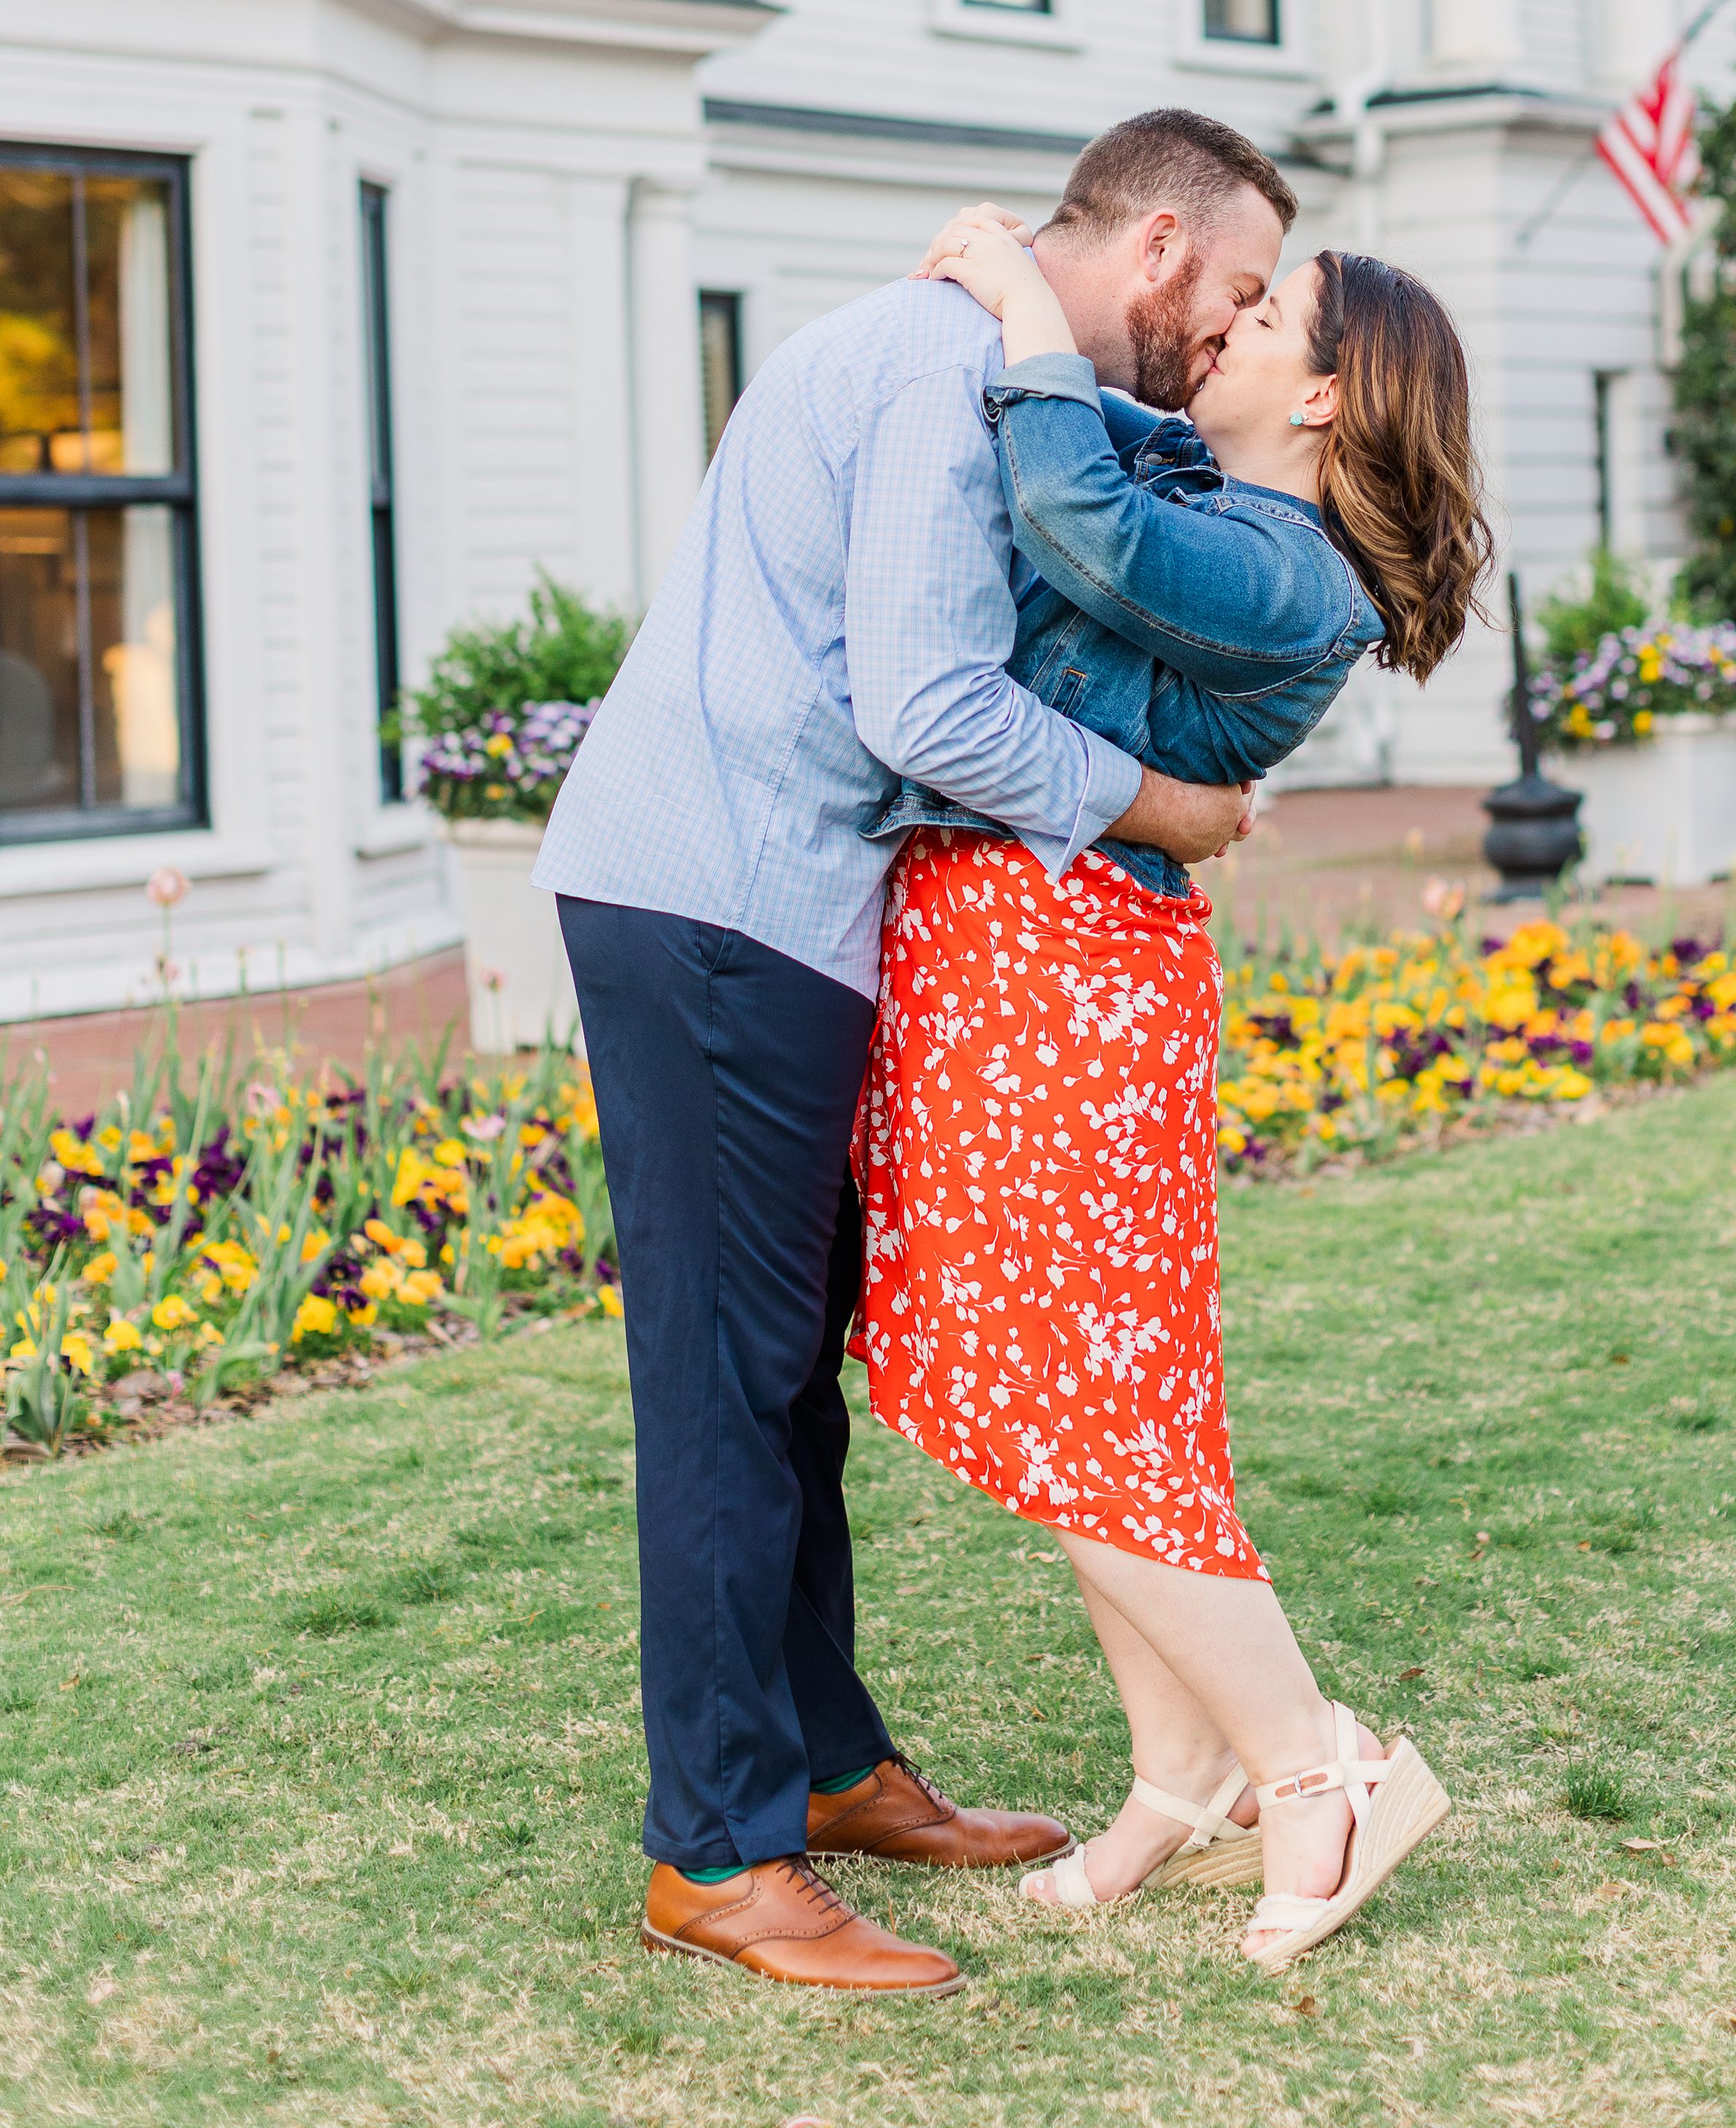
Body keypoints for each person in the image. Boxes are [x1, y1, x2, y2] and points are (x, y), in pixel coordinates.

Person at [534, 110, 1295, 1994]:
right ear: (1158, 247)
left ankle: (828, 1762)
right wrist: (1161, 809)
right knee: (725, 1386)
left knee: (785, 1374)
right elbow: (930, 702)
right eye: (1240, 290)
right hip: (723, 898)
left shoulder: (976, 353)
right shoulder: (950, 372)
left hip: (763, 896)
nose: (1235, 331)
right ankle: (720, 1854)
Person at [856, 200, 1491, 1967]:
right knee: (1102, 1406)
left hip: (1064, 970)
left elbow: (1075, 517)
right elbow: (1100, 477)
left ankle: (1315, 1766)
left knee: (1056, 1400)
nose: (1228, 332)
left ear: (1330, 396)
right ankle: (1183, 1779)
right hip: (1018, 949)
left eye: (1268, 319)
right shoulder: (1217, 502)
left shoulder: (1292, 573)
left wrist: (1018, 299)